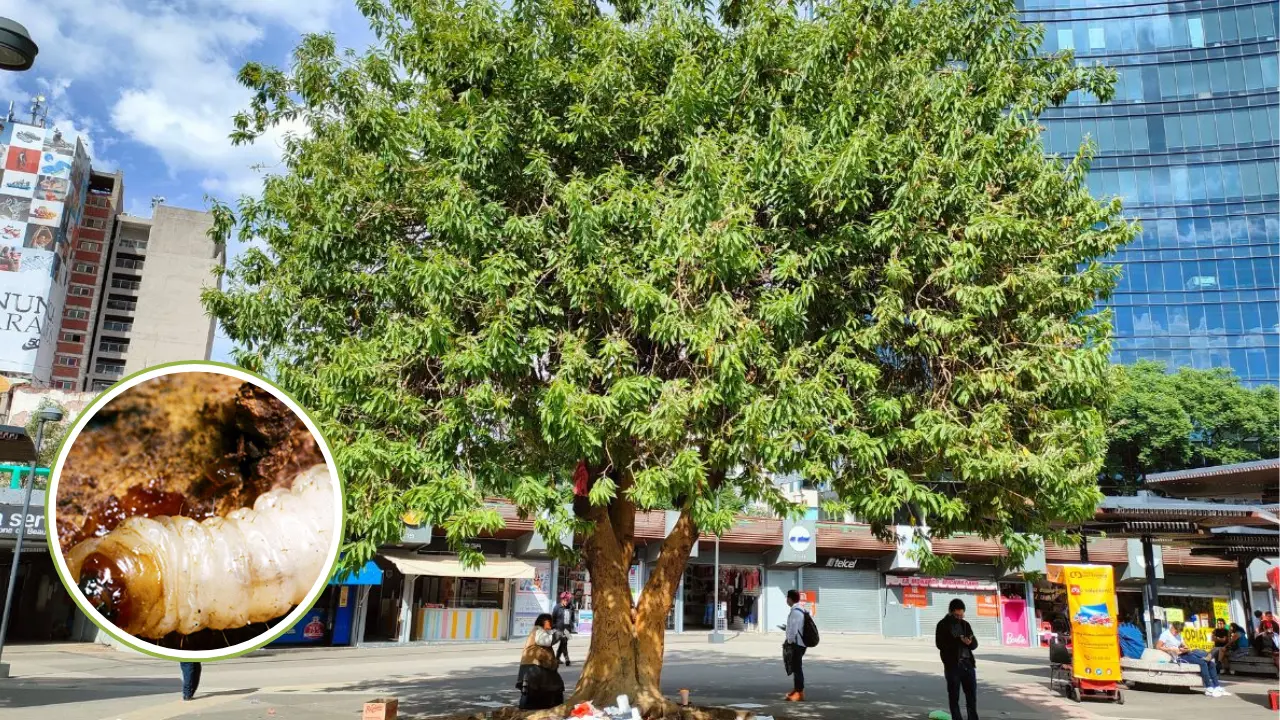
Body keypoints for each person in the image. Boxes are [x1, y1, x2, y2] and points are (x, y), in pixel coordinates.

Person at [1157, 621, 1227, 697]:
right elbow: (1158, 647)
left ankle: (1217, 686)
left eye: (1179, 632)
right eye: (1176, 631)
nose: (1177, 633)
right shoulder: (1165, 635)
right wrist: (1171, 649)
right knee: (1202, 663)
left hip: (1185, 653)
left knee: (1211, 663)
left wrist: (1186, 648)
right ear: (1172, 627)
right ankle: (1209, 687)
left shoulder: (1178, 634)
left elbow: (1184, 644)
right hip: (1179, 657)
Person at [936, 598, 979, 720]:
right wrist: (957, 641)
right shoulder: (943, 625)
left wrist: (970, 642)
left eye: (961, 615)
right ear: (950, 612)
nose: (959, 617)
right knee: (954, 696)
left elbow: (974, 645)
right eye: (956, 615)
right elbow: (940, 645)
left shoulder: (965, 624)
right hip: (953, 665)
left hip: (968, 664)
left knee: (971, 696)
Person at [516, 613, 564, 710]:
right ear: (544, 622)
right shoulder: (538, 630)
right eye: (549, 622)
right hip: (536, 666)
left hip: (534, 665)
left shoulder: (539, 631)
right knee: (537, 689)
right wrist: (558, 634)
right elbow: (546, 641)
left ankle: (530, 709)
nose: (550, 625)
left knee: (533, 690)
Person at [782, 589, 809, 702]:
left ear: (790, 599)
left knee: (797, 668)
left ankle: (799, 692)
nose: (786, 600)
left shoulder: (795, 612)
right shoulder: (800, 609)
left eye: (787, 598)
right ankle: (796, 689)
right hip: (800, 643)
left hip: (797, 644)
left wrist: (789, 641)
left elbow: (793, 630)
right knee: (796, 666)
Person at [552, 591, 574, 666]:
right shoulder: (557, 607)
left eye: (568, 600)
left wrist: (571, 626)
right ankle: (566, 659)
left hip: (567, 630)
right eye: (565, 600)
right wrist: (554, 628)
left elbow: (572, 618)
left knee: (563, 644)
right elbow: (553, 618)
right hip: (559, 629)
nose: (566, 602)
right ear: (562, 599)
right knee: (563, 643)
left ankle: (557, 658)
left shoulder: (571, 607)